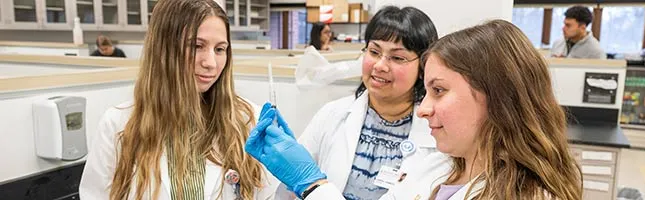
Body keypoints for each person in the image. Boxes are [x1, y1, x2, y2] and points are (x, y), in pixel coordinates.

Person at [247, 20, 583, 200]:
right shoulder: (438, 170)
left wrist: (313, 185)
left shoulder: (528, 195)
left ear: (497, 98)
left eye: (438, 90)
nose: (423, 109)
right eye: (374, 51)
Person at [79, 0, 278, 199]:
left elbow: (269, 195)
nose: (210, 63)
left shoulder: (248, 119)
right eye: (197, 46)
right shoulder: (118, 124)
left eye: (219, 49)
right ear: (163, 50)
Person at [260, 6, 449, 200]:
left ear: (423, 66)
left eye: (397, 57)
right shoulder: (332, 114)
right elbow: (289, 189)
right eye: (374, 52)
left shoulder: (438, 132)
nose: (380, 65)